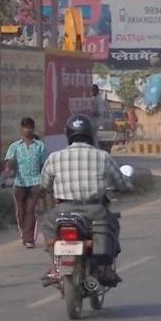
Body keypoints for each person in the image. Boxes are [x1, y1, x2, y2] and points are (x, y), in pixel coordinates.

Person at [39, 115, 131, 285]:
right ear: (90, 134)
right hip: (95, 210)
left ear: (69, 135)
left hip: (63, 211)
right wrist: (125, 185)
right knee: (112, 224)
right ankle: (106, 268)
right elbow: (121, 183)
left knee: (46, 223)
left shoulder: (55, 157)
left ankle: (55, 265)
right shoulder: (102, 156)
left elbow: (44, 184)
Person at [3, 117, 47, 249]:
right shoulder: (15, 146)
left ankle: (29, 239)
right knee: (20, 211)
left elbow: (44, 164)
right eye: (25, 127)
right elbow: (9, 160)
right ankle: (23, 231)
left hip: (35, 181)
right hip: (20, 182)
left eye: (29, 127)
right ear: (21, 129)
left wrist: (46, 182)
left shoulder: (40, 146)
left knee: (30, 210)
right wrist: (8, 169)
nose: (27, 130)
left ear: (33, 129)